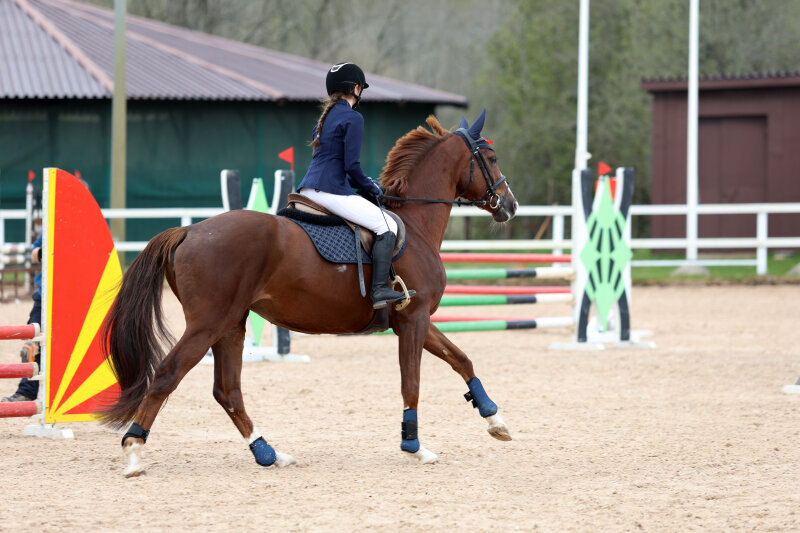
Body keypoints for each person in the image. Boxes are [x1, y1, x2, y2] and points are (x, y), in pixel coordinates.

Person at [297, 62, 414, 309]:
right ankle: (380, 290)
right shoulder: (353, 118)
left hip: (307, 189)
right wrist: (369, 186)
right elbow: (351, 166)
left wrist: (364, 182)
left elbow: (335, 165)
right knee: (387, 225)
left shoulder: (324, 119)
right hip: (329, 191)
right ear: (357, 88)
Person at [1, 233, 42, 403]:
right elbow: (34, 254)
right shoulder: (51, 224)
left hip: (71, 297)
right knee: (30, 345)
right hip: (44, 297)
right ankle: (26, 391)